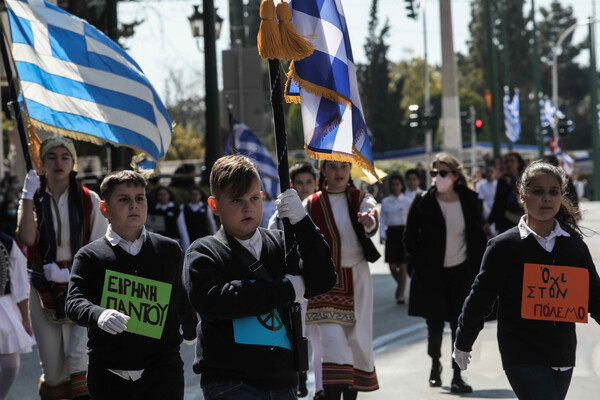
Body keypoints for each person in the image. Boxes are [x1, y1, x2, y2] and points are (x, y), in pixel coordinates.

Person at [182, 154, 336, 400]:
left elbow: (324, 279)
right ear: (214, 205)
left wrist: (303, 224)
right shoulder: (204, 251)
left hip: (282, 377)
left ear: (263, 198)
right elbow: (215, 302)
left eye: (254, 198)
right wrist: (286, 288)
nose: (247, 207)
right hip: (231, 382)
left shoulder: (280, 242)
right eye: (236, 200)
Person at [453, 161, 600, 400]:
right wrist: (463, 340)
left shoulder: (573, 245)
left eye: (553, 192)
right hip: (521, 351)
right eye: (538, 191)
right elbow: (481, 297)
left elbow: (595, 297)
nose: (546, 199)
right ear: (523, 196)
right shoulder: (504, 246)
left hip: (562, 353)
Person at [65, 170, 198, 400]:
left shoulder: (169, 250)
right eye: (123, 199)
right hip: (107, 373)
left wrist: (190, 330)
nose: (134, 205)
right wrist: (99, 314)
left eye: (140, 198)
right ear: (105, 209)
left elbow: (180, 296)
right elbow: (74, 302)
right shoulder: (89, 256)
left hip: (162, 371)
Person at [17, 136, 108, 400]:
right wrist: (26, 196)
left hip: (82, 284)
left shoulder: (89, 199)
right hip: (42, 287)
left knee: (81, 360)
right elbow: (27, 238)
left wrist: (74, 272)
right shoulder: (33, 197)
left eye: (65, 156)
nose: (59, 162)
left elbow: (99, 245)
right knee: (54, 369)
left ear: (73, 162)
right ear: (42, 162)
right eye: (52, 157)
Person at [404, 152, 486, 394]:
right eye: (433, 173)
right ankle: (434, 365)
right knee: (434, 323)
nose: (437, 178)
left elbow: (477, 234)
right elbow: (409, 236)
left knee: (459, 323)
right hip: (432, 272)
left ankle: (457, 374)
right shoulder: (423, 201)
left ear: (454, 175)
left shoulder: (469, 200)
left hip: (461, 270)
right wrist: (417, 264)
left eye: (442, 173)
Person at [305, 160, 380, 400]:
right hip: (325, 280)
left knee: (358, 341)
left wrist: (370, 221)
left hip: (357, 277)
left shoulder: (360, 198)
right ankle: (332, 392)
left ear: (350, 170)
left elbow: (372, 212)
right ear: (323, 170)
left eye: (344, 167)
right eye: (333, 167)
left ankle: (350, 394)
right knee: (332, 342)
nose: (339, 173)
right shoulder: (310, 203)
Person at [267, 161, 322, 398]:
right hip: (292, 283)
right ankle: (299, 377)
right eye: (299, 183)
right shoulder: (280, 215)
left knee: (319, 337)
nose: (305, 187)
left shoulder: (321, 209)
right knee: (295, 331)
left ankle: (319, 387)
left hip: (317, 282)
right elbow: (271, 240)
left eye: (309, 182)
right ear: (291, 185)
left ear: (316, 183)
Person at [0, 231, 35, 400]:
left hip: (4, 307)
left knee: (11, 365)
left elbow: (20, 286)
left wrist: (25, 320)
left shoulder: (6, 243)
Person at [379, 173, 412, 304]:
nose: (395, 187)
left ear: (402, 185)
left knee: (403, 266)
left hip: (404, 233)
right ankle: (401, 285)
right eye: (393, 184)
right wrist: (382, 234)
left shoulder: (408, 201)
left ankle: (401, 294)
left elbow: (411, 220)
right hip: (391, 234)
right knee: (392, 266)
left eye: (397, 184)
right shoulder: (386, 202)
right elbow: (382, 220)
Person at [486, 151, 526, 235]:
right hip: (505, 222)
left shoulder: (526, 179)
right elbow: (497, 202)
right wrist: (489, 222)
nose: (509, 164)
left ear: (518, 163)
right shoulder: (503, 181)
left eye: (512, 161)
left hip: (524, 221)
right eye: (507, 161)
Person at [177, 185, 217, 251]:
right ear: (189, 196)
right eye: (192, 194)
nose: (194, 197)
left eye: (196, 194)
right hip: (190, 236)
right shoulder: (183, 208)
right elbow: (182, 226)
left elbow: (211, 224)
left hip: (204, 237)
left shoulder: (206, 208)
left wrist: (214, 238)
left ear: (200, 195)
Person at [478, 163, 498, 237]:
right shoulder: (482, 186)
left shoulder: (498, 184)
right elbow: (481, 204)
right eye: (488, 172)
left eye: (491, 171)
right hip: (487, 215)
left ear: (495, 172)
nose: (489, 174)